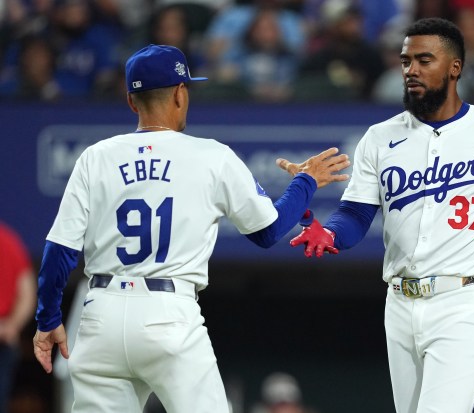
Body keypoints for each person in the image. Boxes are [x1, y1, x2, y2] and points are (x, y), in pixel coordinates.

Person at [32, 44, 350, 413]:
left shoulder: (95, 156)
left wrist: (48, 319)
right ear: (181, 94)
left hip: (99, 314)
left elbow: (59, 249)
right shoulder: (211, 155)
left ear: (132, 102)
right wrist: (306, 181)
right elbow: (268, 231)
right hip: (168, 313)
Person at [279, 17, 474, 413]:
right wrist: (329, 234)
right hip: (399, 303)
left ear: (455, 68)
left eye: (424, 60)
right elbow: (356, 214)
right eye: (405, 60)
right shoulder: (380, 138)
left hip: (466, 300)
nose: (411, 70)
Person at [0, 221, 36, 413]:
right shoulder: (8, 239)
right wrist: (11, 326)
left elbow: (27, 291)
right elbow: (28, 292)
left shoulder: (7, 241)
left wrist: (11, 326)